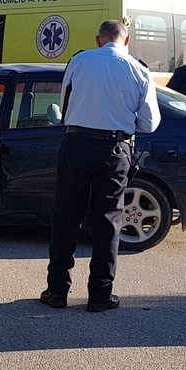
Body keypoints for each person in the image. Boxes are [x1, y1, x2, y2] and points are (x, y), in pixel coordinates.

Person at [40, 20, 160, 312]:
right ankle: (100, 296)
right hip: (114, 149)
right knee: (107, 223)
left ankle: (57, 291)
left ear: (98, 39)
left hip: (76, 144)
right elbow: (150, 123)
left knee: (66, 217)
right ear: (126, 40)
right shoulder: (140, 70)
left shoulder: (79, 60)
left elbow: (64, 107)